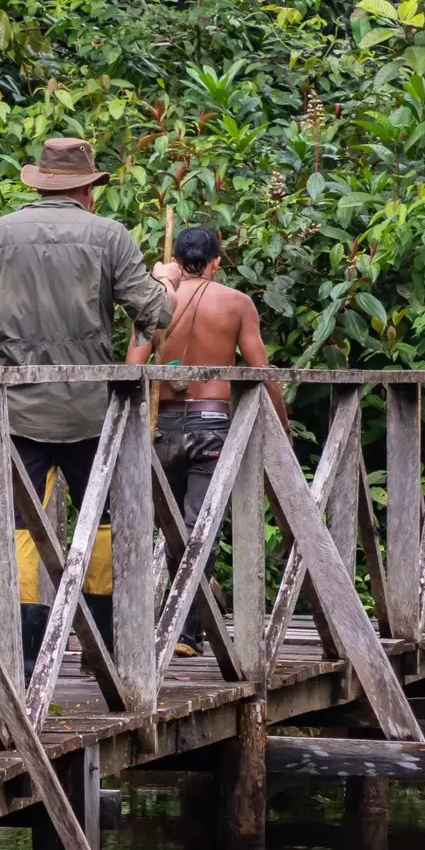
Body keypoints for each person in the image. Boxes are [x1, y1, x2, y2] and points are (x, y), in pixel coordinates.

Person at [0, 137, 171, 671]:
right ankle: (103, 652)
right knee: (102, 520)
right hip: (93, 411)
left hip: (15, 413)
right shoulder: (110, 236)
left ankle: (21, 654)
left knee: (21, 526)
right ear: (87, 189)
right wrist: (154, 310)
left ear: (42, 182)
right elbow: (156, 316)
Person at [124, 224, 287, 654]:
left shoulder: (156, 302)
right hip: (212, 425)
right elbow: (261, 372)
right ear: (216, 262)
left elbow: (132, 365)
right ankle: (184, 629)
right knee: (200, 527)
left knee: (174, 527)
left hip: (163, 426)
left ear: (175, 262)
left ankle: (178, 621)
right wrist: (282, 425)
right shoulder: (237, 304)